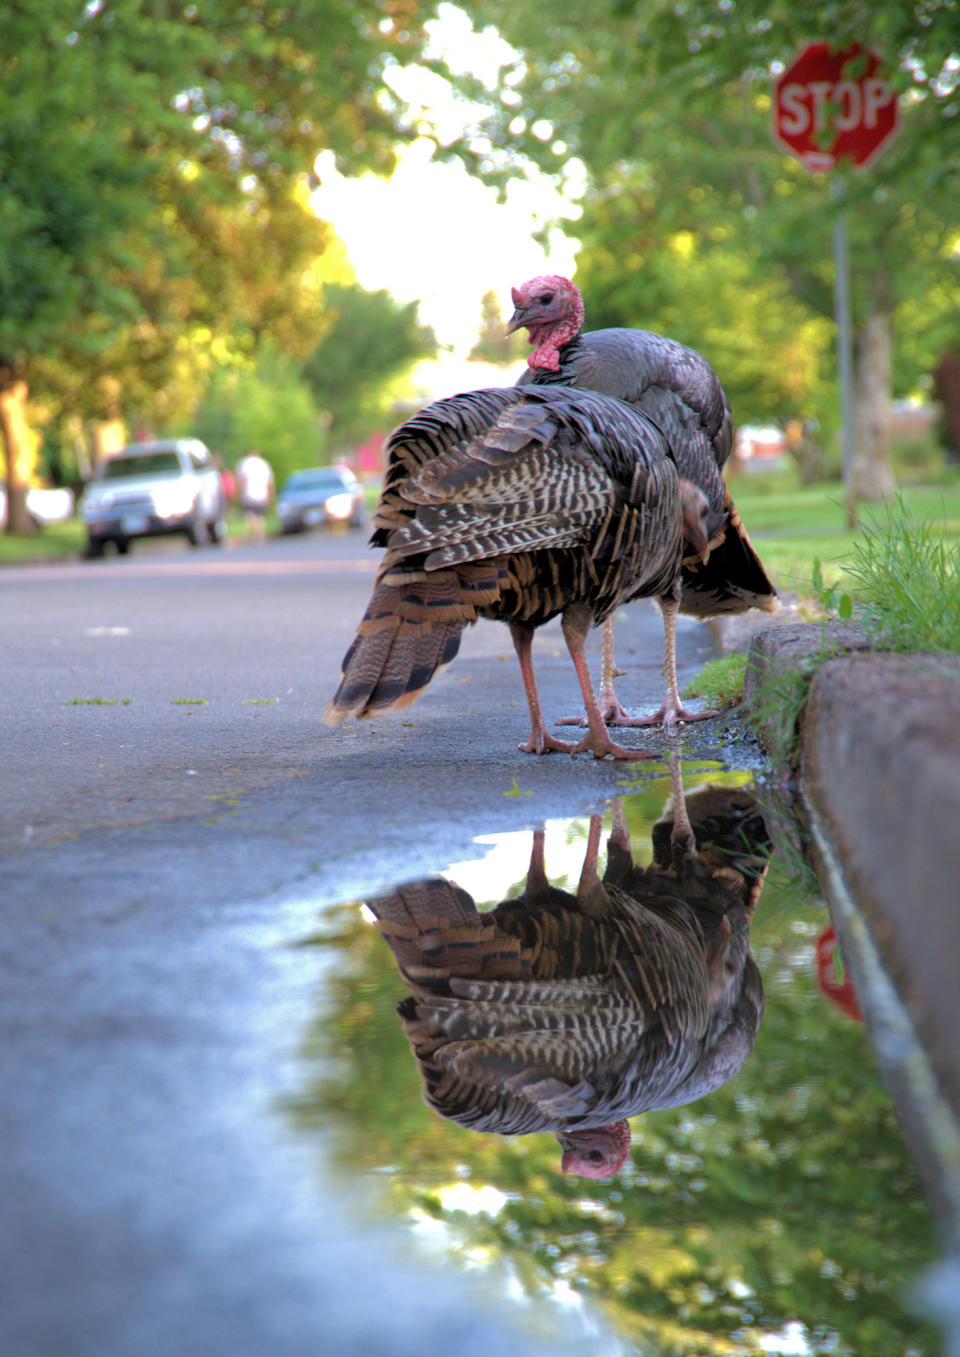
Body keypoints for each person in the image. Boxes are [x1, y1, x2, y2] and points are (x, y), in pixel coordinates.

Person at [234, 449, 274, 544]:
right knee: (260, 516)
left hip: (248, 494)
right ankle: (259, 534)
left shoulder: (243, 463)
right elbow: (270, 482)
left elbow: (240, 481)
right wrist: (271, 494)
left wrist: (238, 495)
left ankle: (255, 534)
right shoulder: (264, 464)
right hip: (262, 494)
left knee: (250, 515)